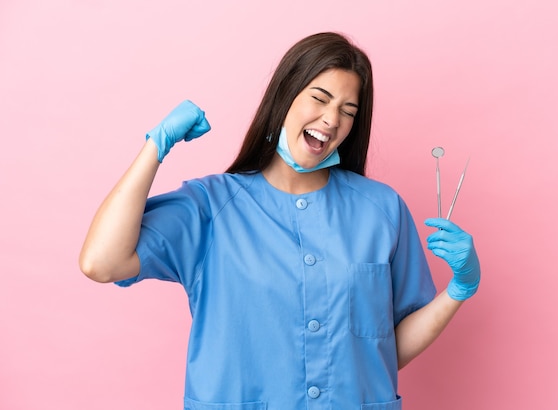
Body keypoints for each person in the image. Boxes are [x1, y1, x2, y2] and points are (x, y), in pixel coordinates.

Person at [79, 32, 480, 410]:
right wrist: (156, 145)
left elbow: (386, 350)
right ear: (285, 97)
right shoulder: (210, 206)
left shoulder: (381, 209)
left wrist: (459, 288)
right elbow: (102, 262)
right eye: (319, 98)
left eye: (348, 111)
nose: (331, 119)